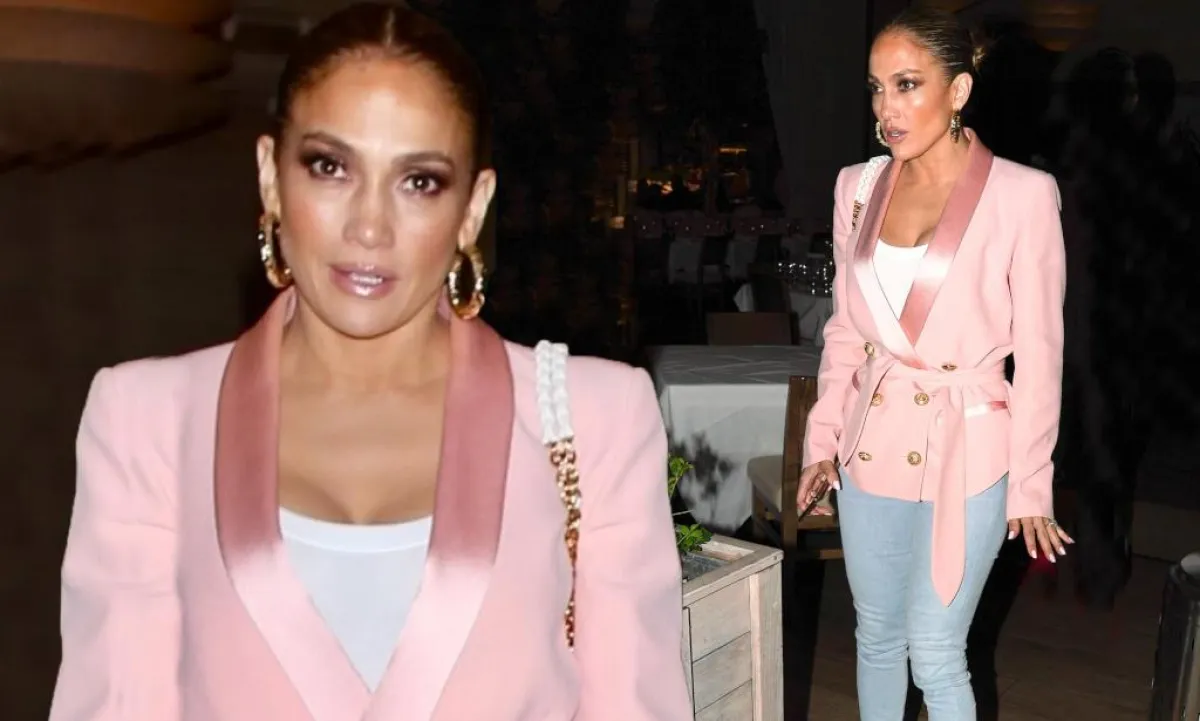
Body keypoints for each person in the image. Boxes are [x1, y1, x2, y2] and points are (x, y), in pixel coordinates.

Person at [48, 4, 691, 720]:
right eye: (331, 168)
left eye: (419, 181)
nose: (369, 227)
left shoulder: (597, 419)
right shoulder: (146, 421)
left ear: (473, 209)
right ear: (270, 177)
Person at [795, 8, 1072, 720]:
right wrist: (821, 442)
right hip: (873, 442)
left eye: (907, 84)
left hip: (970, 448)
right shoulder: (857, 187)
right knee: (877, 636)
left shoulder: (1022, 194)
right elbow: (846, 332)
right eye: (876, 87)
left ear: (958, 91)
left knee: (937, 647)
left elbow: (1041, 353)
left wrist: (1031, 484)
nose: (886, 108)